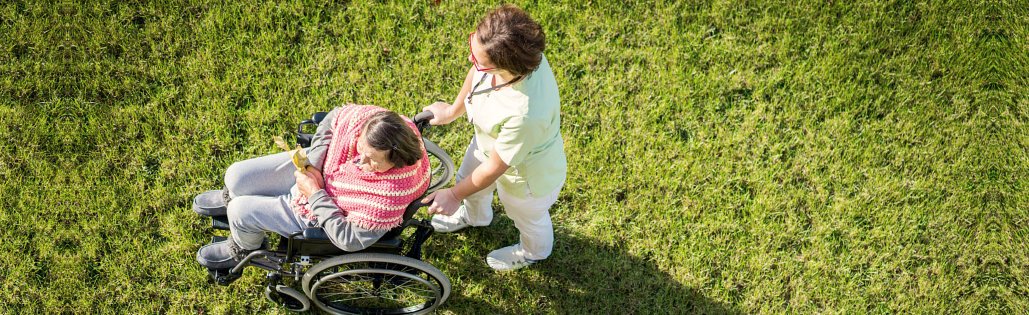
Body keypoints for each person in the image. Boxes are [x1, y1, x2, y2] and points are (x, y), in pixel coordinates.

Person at [194, 105, 430, 270]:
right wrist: (315, 167)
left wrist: (315, 194)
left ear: (396, 160)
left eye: (372, 161)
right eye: (361, 150)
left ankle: (244, 249)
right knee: (235, 175)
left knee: (239, 211)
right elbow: (334, 118)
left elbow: (349, 239)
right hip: (321, 167)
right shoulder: (377, 121)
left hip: (318, 213)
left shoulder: (387, 198)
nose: (360, 161)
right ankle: (234, 199)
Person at [421, 4, 566, 271]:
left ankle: (534, 251)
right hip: (487, 144)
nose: (470, 60)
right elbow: (477, 74)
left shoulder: (525, 114)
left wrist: (452, 195)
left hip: (526, 177)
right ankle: (476, 217)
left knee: (525, 215)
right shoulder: (507, 61)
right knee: (468, 180)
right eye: (472, 46)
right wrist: (453, 111)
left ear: (505, 66)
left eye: (479, 60)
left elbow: (494, 168)